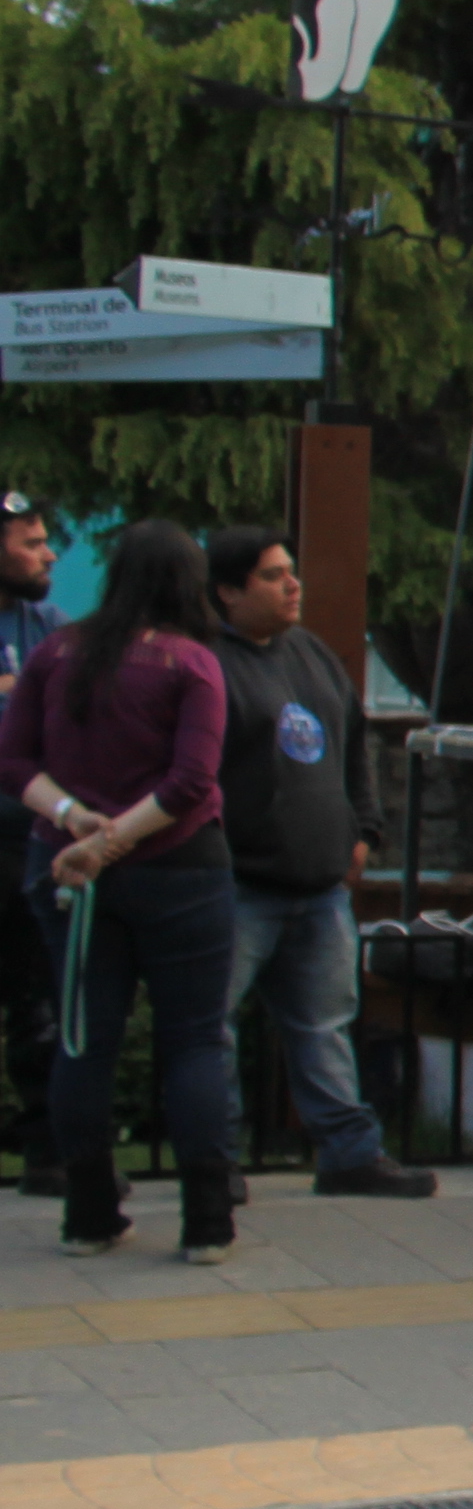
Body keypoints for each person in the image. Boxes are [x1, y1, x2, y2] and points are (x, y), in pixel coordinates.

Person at [0, 521, 242, 1260]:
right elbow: (191, 782)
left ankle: (89, 1215)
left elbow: (12, 760)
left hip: (68, 871)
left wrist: (75, 821)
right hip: (180, 869)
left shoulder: (55, 652)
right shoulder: (191, 662)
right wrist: (116, 839)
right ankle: (207, 1223)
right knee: (194, 1040)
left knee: (84, 1039)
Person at [204, 528, 433, 1202]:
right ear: (229, 591)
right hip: (238, 883)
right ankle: (215, 1160)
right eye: (273, 575)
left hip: (320, 884)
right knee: (211, 1027)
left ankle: (349, 1155)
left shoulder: (311, 652)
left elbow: (353, 743)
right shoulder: (206, 664)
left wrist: (365, 827)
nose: (292, 584)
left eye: (291, 571)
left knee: (325, 1023)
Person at [0, 492, 60, 1195]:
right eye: (31, 543)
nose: (48, 555)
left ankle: (50, 1152)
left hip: (29, 839)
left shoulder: (48, 626)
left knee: (40, 1005)